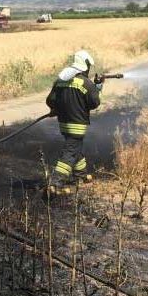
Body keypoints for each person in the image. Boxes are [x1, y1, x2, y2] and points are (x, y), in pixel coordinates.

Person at [45, 50, 103, 194]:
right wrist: (98, 87)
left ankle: (81, 176)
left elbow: (50, 100)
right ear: (86, 65)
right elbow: (94, 103)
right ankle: (55, 183)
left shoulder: (60, 81)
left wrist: (55, 108)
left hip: (63, 124)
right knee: (70, 153)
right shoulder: (86, 83)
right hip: (77, 126)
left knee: (75, 149)